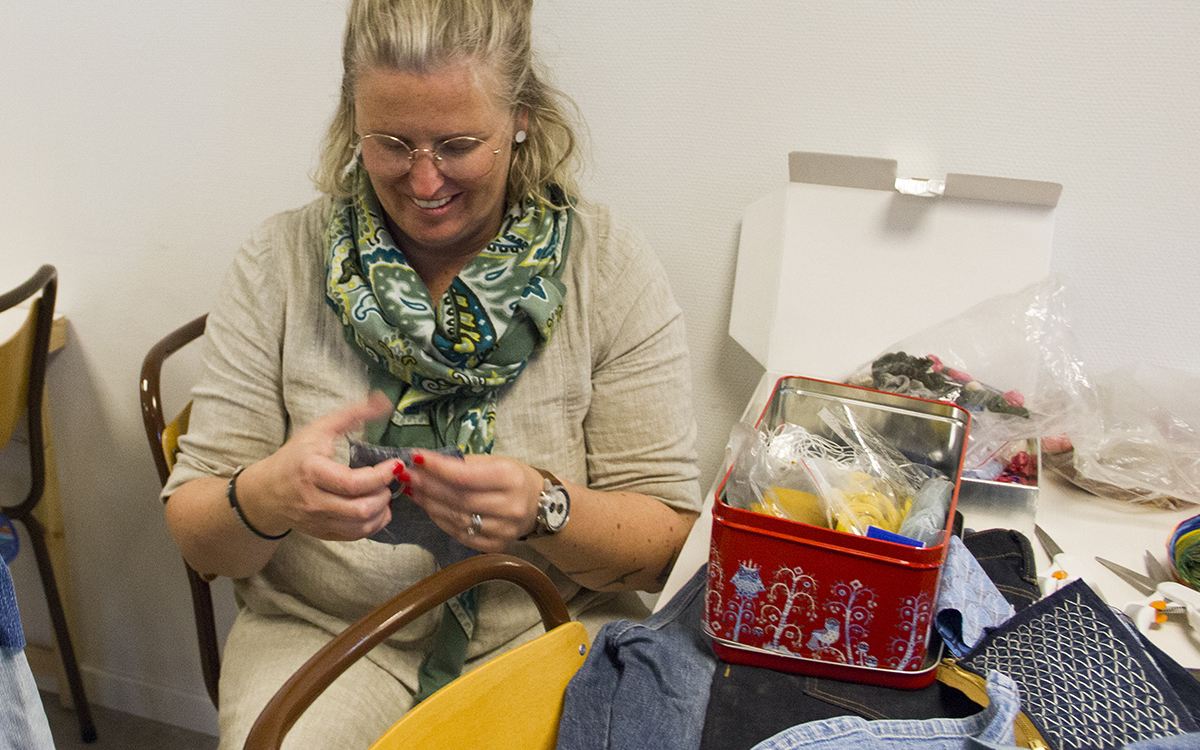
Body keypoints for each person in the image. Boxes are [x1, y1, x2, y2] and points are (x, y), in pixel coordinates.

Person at [160, 0, 702, 747]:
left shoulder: (607, 266)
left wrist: (546, 509)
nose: (422, 182)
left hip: (550, 622)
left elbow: (667, 547)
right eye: (391, 142)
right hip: (328, 637)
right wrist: (269, 494)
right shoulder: (279, 262)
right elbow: (200, 541)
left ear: (521, 116)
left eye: (456, 144)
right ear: (352, 121)